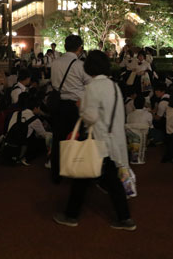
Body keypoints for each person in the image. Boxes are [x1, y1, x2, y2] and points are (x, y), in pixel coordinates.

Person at [53, 50, 135, 231]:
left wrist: (81, 107)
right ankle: (125, 218)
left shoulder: (91, 87)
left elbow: (90, 117)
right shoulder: (114, 86)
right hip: (114, 140)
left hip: (98, 141)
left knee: (82, 178)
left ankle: (71, 215)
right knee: (109, 182)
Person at [50, 35, 91, 183]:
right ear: (79, 48)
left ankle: (56, 174)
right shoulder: (80, 65)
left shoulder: (55, 63)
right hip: (75, 106)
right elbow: (89, 83)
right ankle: (76, 172)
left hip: (58, 105)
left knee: (58, 139)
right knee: (77, 138)